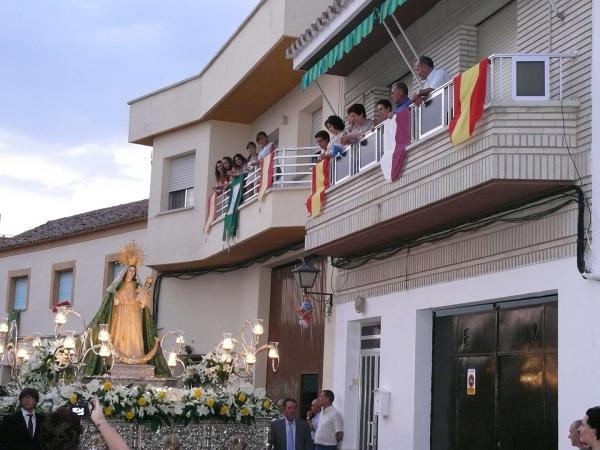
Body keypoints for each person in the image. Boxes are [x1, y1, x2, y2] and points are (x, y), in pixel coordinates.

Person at [84, 241, 169, 377]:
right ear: (125, 271)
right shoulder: (118, 286)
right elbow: (112, 301)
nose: (132, 272)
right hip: (120, 316)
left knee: (134, 336)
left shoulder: (137, 286)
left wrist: (144, 294)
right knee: (120, 335)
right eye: (130, 270)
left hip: (134, 315)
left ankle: (135, 357)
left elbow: (143, 304)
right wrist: (116, 300)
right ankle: (116, 358)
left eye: (134, 270)